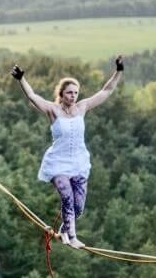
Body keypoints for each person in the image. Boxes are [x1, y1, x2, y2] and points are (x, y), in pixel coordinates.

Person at [11, 56, 123, 249]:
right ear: (61, 94)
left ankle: (65, 229)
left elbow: (106, 90)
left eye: (76, 93)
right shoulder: (53, 110)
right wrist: (22, 79)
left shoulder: (82, 107)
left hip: (79, 162)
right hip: (58, 163)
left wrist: (118, 71)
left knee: (78, 207)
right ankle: (72, 236)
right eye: (69, 93)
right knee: (67, 197)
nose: (73, 96)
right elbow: (33, 97)